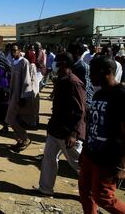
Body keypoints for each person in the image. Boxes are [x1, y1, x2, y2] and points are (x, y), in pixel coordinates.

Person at [35, 52, 86, 196]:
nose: (54, 64)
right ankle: (45, 188)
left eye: (56, 61)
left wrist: (73, 133)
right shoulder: (61, 80)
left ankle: (93, 191)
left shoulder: (74, 82)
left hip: (68, 133)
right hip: (55, 129)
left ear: (63, 63)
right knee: (49, 159)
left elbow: (80, 111)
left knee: (78, 165)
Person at [79, 55, 125, 213]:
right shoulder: (99, 94)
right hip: (91, 154)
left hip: (108, 158)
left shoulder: (121, 95)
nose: (90, 76)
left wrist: (122, 166)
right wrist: (84, 150)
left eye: (93, 72)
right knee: (85, 192)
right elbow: (92, 124)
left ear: (107, 71)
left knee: (104, 198)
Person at [5, 44, 35, 153]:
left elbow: (26, 81)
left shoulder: (24, 62)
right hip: (13, 94)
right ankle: (20, 140)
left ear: (20, 51)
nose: (13, 53)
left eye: (15, 50)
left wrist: (23, 96)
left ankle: (25, 138)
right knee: (11, 119)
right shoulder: (13, 62)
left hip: (20, 95)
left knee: (10, 118)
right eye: (11, 50)